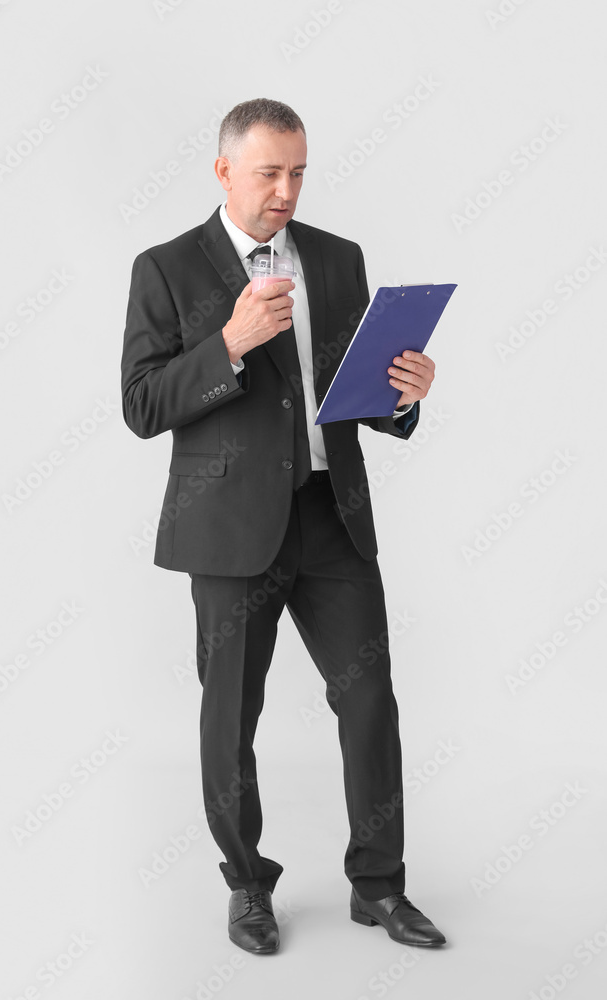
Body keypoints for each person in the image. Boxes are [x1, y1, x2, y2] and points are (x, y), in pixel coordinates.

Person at [121, 98, 446, 954]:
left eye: (298, 172)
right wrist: (227, 343)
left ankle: (377, 886)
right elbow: (141, 404)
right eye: (269, 172)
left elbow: (355, 390)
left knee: (369, 700)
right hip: (227, 529)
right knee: (230, 717)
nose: (286, 190)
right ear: (224, 169)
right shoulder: (166, 269)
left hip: (329, 513)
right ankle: (247, 887)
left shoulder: (337, 260)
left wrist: (403, 395)